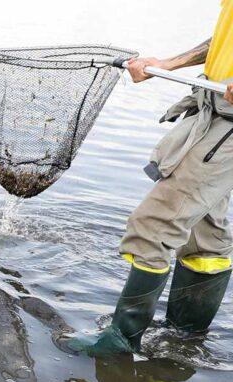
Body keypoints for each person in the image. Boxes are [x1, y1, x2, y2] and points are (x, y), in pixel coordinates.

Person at [71, 3, 233, 355]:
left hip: (227, 128)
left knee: (154, 223)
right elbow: (224, 40)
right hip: (214, 107)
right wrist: (169, 64)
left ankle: (121, 340)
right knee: (204, 233)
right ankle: (185, 338)